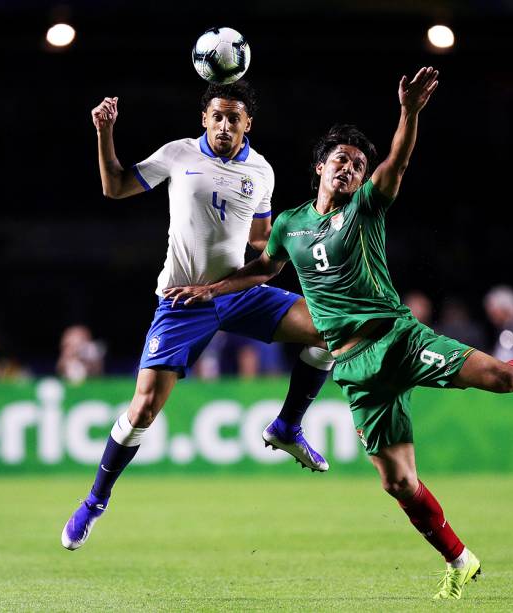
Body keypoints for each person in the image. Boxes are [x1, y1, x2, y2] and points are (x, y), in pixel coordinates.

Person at [164, 67, 513, 600]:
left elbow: (397, 162)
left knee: (498, 376)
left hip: (398, 340)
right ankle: (460, 559)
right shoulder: (289, 224)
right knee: (397, 482)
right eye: (341, 160)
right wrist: (210, 290)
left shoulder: (366, 209)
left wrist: (408, 113)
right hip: (356, 369)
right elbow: (264, 271)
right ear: (320, 167)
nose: (351, 168)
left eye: (358, 165)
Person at [61, 81, 336, 550]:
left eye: (234, 117)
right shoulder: (179, 154)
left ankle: (288, 425)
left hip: (236, 291)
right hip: (183, 300)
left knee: (330, 330)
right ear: (204, 119)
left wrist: (300, 237)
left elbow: (259, 239)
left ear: (248, 123)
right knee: (144, 408)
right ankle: (94, 501)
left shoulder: (261, 171)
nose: (225, 124)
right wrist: (105, 132)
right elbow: (115, 187)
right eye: (217, 116)